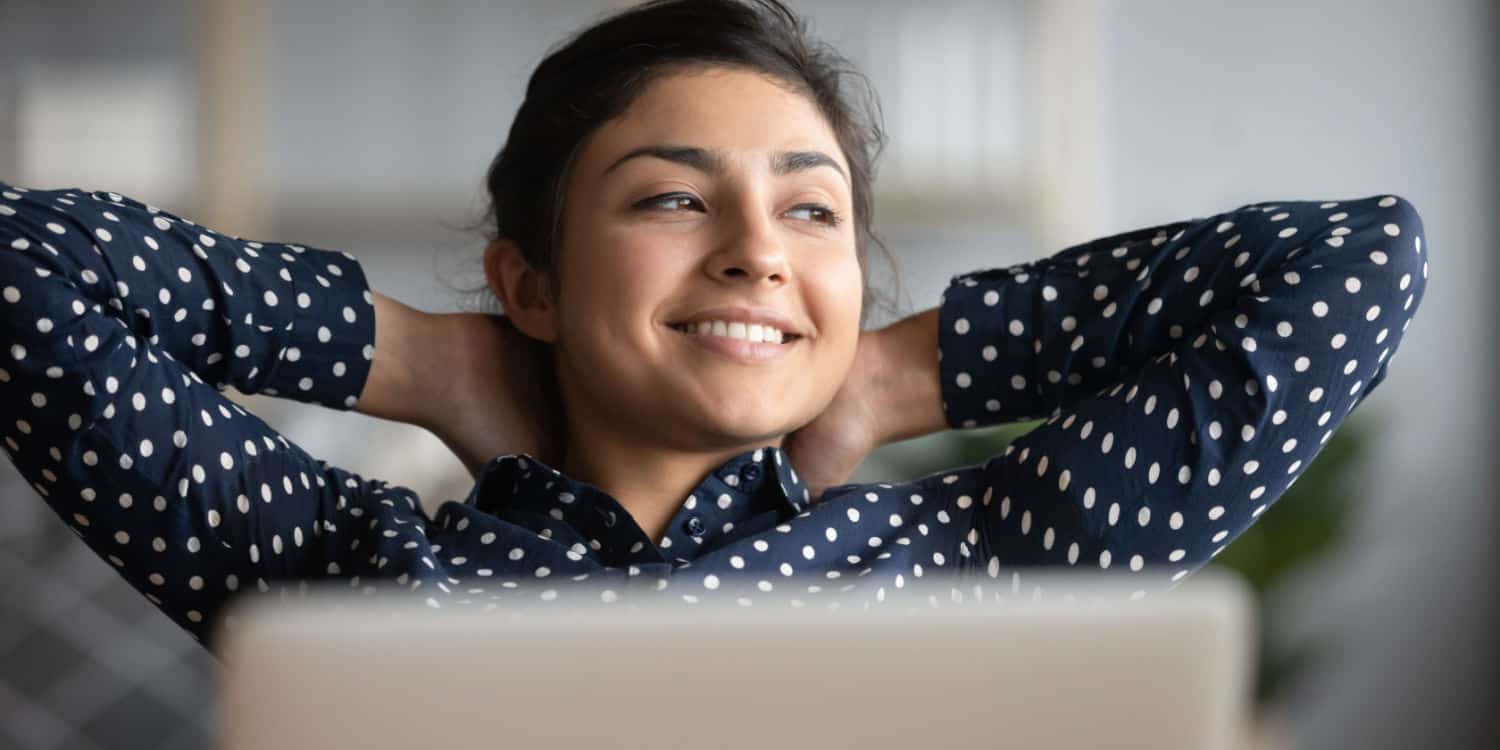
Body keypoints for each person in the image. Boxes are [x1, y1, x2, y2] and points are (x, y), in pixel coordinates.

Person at [0, 0, 1428, 652]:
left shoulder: (981, 558)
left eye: (813, 215)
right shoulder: (345, 572)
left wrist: (890, 374)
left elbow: (1356, 263)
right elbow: (20, 268)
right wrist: (425, 357)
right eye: (675, 200)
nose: (757, 251)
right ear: (533, 282)